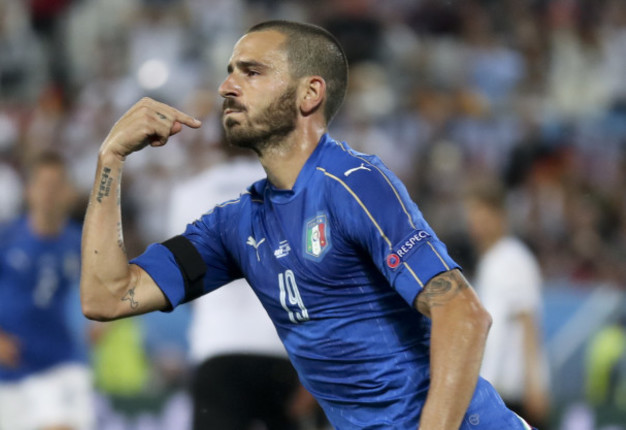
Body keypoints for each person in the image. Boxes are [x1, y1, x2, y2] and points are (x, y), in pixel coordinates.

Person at [80, 20, 536, 429]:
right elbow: (108, 295)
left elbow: (463, 314)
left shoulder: (353, 183)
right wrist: (110, 159)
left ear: (309, 93)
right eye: (230, 71)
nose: (226, 87)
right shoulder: (236, 225)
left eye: (251, 72)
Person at [168, 146, 323, 429]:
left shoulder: (189, 193)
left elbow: (180, 282)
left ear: (217, 139)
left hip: (217, 347)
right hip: (282, 352)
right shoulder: (295, 190)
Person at [0, 151, 95, 430]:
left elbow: (113, 285)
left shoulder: (81, 242)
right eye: (43, 185)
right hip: (11, 368)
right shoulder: (2, 238)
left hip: (61, 363)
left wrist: (102, 323)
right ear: (29, 190)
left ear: (69, 192)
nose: (49, 194)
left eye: (57, 186)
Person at [464, 181, 551, 429]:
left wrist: (536, 384)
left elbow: (528, 320)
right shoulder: (489, 261)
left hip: (515, 389)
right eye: (472, 214)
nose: (475, 223)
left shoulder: (514, 257)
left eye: (481, 214)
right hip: (494, 387)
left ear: (499, 215)